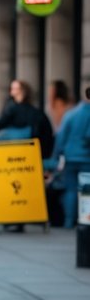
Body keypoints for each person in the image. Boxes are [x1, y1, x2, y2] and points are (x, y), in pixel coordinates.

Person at [52, 85, 90, 229]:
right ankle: (85, 221)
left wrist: (58, 156)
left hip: (70, 157)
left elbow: (60, 137)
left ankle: (69, 221)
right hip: (87, 158)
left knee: (71, 190)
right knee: (87, 191)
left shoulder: (71, 114)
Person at [0, 79, 54, 158]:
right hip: (33, 154)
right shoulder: (36, 112)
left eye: (14, 89)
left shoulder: (12, 108)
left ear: (21, 91)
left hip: (15, 153)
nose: (11, 91)